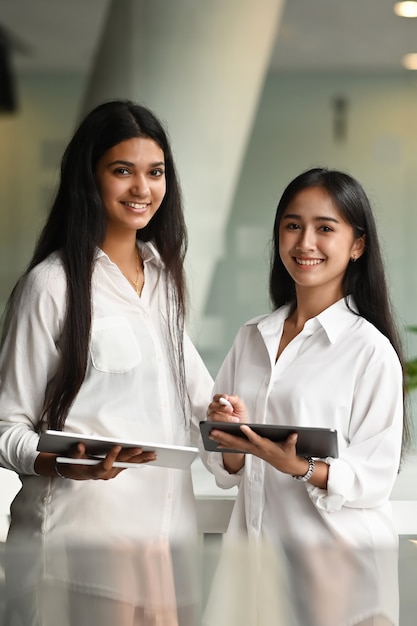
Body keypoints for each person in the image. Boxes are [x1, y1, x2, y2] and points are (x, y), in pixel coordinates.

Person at [0, 99, 213, 626]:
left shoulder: (165, 282)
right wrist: (67, 461)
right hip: (78, 547)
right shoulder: (51, 286)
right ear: (89, 179)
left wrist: (228, 416)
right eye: (123, 171)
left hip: (162, 548)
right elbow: (6, 427)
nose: (142, 189)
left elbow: (199, 401)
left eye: (155, 173)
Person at [201, 168, 410, 626]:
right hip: (253, 561)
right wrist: (231, 434)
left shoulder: (369, 350)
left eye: (325, 228)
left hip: (335, 569)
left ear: (357, 246)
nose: (305, 242)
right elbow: (225, 466)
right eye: (293, 225)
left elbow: (374, 477)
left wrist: (299, 466)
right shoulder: (252, 336)